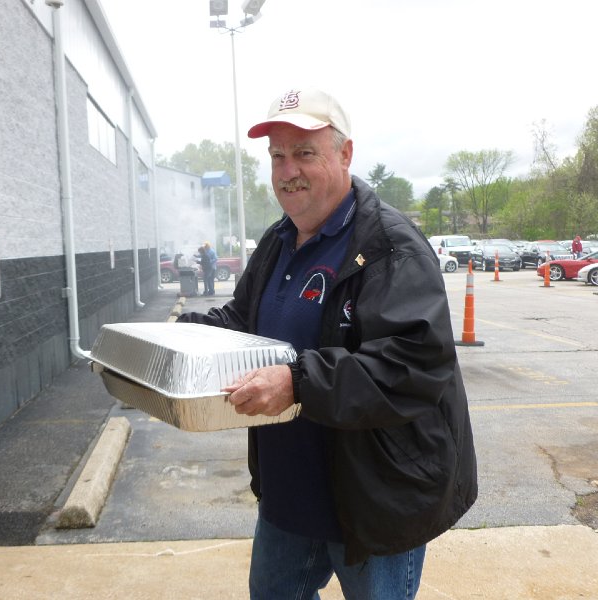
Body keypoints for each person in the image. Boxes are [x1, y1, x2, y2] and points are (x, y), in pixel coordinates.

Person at [177, 89, 477, 599]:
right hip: (290, 494)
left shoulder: (389, 245)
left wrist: (296, 382)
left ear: (345, 154)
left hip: (374, 496)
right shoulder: (277, 241)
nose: (287, 170)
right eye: (277, 156)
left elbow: (411, 366)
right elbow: (243, 320)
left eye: (304, 152)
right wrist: (186, 335)